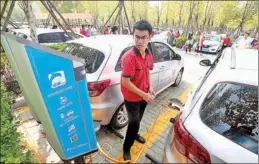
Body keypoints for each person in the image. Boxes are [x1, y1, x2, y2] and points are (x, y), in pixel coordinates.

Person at [120, 20, 155, 161]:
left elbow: (147, 72)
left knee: (139, 119)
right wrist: (144, 95)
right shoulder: (129, 57)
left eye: (143, 37)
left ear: (150, 37)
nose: (139, 41)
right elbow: (125, 82)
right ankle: (126, 148)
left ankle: (134, 134)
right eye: (137, 36)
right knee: (134, 121)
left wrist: (150, 87)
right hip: (131, 97)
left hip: (144, 95)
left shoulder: (148, 53)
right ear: (133, 36)